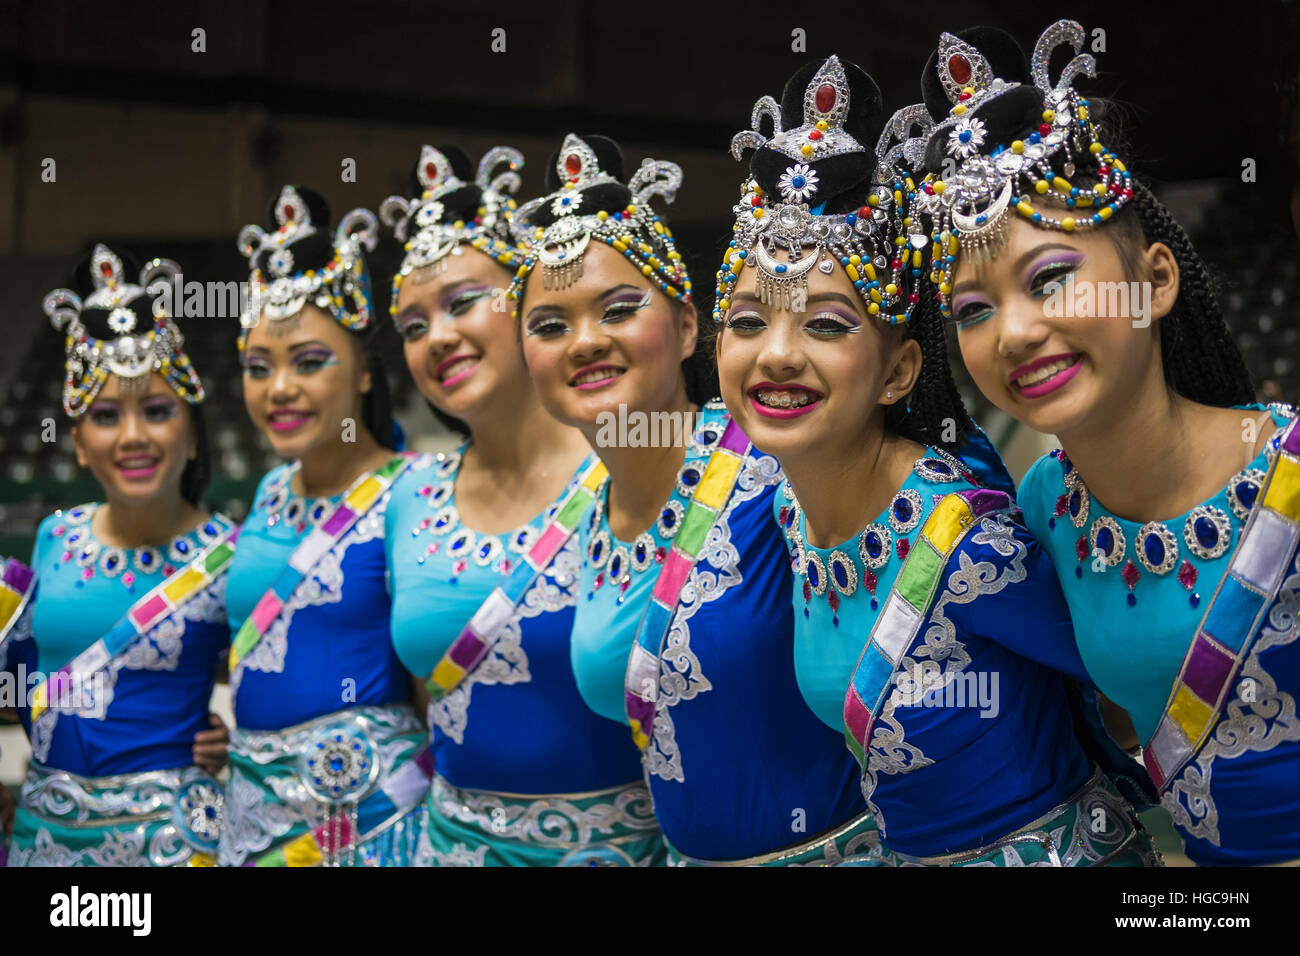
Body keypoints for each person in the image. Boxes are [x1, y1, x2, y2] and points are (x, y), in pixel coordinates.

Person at [713, 53, 1158, 867]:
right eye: (747, 321)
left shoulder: (970, 543)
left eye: (825, 324)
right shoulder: (782, 510)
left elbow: (1138, 702)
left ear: (899, 371)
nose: (774, 355)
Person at [915, 20, 1300, 865]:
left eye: (1050, 277)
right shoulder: (1045, 506)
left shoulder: (1291, 477)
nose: (1013, 333)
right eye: (972, 310)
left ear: (1155, 281)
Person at [511, 133, 881, 865]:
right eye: (549, 326)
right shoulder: (582, 514)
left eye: (617, 310)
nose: (583, 341)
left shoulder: (780, 463)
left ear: (687, 327)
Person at [379, 144, 661, 865]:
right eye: (412, 326)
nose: (437, 337)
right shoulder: (408, 494)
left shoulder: (628, 463)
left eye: (462, 303)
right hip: (448, 848)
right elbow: (414, 695)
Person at [219, 186, 429, 867]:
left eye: (309, 362)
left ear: (366, 374)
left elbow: (441, 686)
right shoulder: (268, 490)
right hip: (251, 817)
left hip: (370, 816)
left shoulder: (415, 491)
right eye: (259, 367)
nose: (279, 388)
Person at [3, 245, 231, 867]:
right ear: (78, 443)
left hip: (175, 841)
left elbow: (282, 698)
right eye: (106, 416)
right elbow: (19, 676)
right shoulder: (54, 537)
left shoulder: (232, 555)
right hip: (44, 837)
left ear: (190, 431)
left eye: (157, 411)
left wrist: (229, 746)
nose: (133, 436)